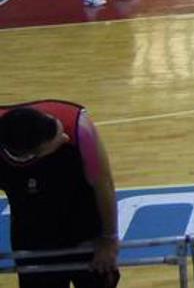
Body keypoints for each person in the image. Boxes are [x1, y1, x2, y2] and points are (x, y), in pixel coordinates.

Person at [0, 100, 120, 288]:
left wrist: (109, 240)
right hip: (31, 229)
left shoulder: (77, 127)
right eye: (56, 139)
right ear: (32, 156)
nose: (64, 137)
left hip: (83, 219)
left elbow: (103, 184)